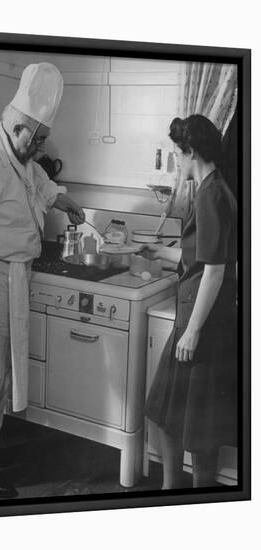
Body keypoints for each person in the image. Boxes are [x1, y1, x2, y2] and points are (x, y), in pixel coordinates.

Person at [0, 63, 85, 499]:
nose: (42, 147)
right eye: (40, 139)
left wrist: (63, 201)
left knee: (2, 373)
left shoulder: (19, 154)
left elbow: (39, 185)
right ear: (21, 125)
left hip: (14, 277)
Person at [141, 114, 238, 489]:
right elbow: (197, 256)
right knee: (188, 418)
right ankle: (178, 491)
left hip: (202, 324)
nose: (177, 163)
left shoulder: (212, 195)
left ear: (191, 152)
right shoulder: (212, 189)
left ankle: (179, 493)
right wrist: (158, 252)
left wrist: (192, 332)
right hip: (202, 318)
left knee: (175, 415)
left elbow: (214, 270)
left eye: (178, 156)